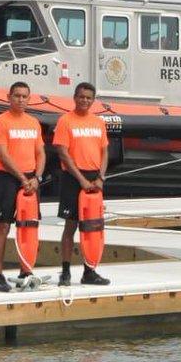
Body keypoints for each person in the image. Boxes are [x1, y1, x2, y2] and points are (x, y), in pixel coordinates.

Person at [0, 81, 47, 292]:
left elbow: (40, 153)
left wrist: (37, 178)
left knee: (29, 228)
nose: (20, 100)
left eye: (24, 96)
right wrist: (22, 178)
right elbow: (2, 154)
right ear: (9, 97)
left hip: (32, 180)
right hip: (9, 179)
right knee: (3, 226)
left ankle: (26, 270)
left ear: (29, 99)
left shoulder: (33, 123)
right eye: (17, 96)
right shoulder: (0, 122)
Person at [52, 82, 110, 286]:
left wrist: (101, 177)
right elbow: (63, 153)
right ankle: (66, 272)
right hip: (73, 178)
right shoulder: (65, 121)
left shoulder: (98, 122)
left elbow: (104, 152)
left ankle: (90, 270)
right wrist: (81, 180)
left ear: (93, 100)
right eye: (81, 97)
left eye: (88, 98)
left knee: (92, 228)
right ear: (74, 97)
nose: (85, 100)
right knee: (71, 226)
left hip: (95, 177)